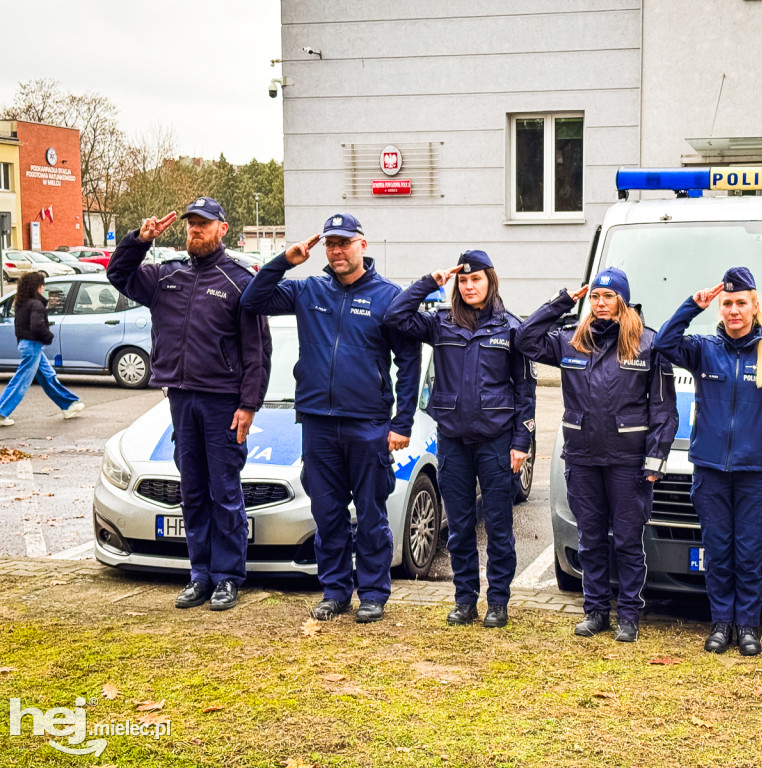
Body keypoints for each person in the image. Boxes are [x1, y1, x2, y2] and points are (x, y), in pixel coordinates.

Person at [240, 213, 420, 624]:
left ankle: (373, 593)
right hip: (318, 422)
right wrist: (284, 260)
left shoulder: (389, 297)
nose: (337, 251)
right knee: (327, 513)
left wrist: (402, 422)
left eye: (345, 242)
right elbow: (252, 301)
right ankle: (336, 590)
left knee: (371, 515)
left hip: (368, 423)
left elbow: (409, 363)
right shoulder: (308, 290)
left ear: (363, 244)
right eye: (331, 244)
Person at [107, 197, 271, 612]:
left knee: (225, 492)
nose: (196, 229)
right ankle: (200, 575)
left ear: (223, 228)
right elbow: (118, 274)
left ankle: (228, 578)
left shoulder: (239, 281)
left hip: (222, 403)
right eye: (191, 224)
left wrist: (249, 404)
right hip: (180, 399)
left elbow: (257, 350)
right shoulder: (166, 276)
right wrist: (139, 240)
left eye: (204, 223)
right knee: (193, 491)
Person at [517, 268, 678, 642]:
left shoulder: (647, 344)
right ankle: (595, 611)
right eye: (596, 298)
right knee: (590, 539)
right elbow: (525, 339)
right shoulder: (572, 341)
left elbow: (663, 409)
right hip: (583, 457)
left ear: (622, 301)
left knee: (626, 541)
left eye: (609, 297)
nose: (601, 304)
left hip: (628, 462)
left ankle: (629, 616)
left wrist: (655, 458)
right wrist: (561, 302)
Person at [383, 250, 536, 628]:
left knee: (499, 526)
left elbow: (525, 390)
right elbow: (394, 316)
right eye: (463, 281)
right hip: (453, 441)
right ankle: (465, 599)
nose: (469, 286)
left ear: (490, 281)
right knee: (461, 527)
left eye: (476, 279)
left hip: (497, 443)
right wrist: (428, 282)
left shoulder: (511, 328)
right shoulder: (441, 324)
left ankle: (498, 601)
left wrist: (521, 442)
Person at [654, 268, 762, 656]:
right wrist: (691, 306)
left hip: (756, 473)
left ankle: (748, 627)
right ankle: (721, 624)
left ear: (754, 307)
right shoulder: (703, 348)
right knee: (717, 552)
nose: (734, 310)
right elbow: (664, 344)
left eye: (741, 303)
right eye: (727, 304)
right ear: (720, 308)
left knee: (750, 554)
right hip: (711, 471)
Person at [0, 271, 84, 425]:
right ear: (36, 287)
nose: (43, 287)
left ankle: (68, 405)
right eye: (42, 284)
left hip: (27, 344)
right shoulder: (36, 304)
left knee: (48, 375)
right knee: (21, 380)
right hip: (33, 345)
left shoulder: (22, 303)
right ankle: (1, 411)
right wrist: (48, 337)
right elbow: (37, 326)